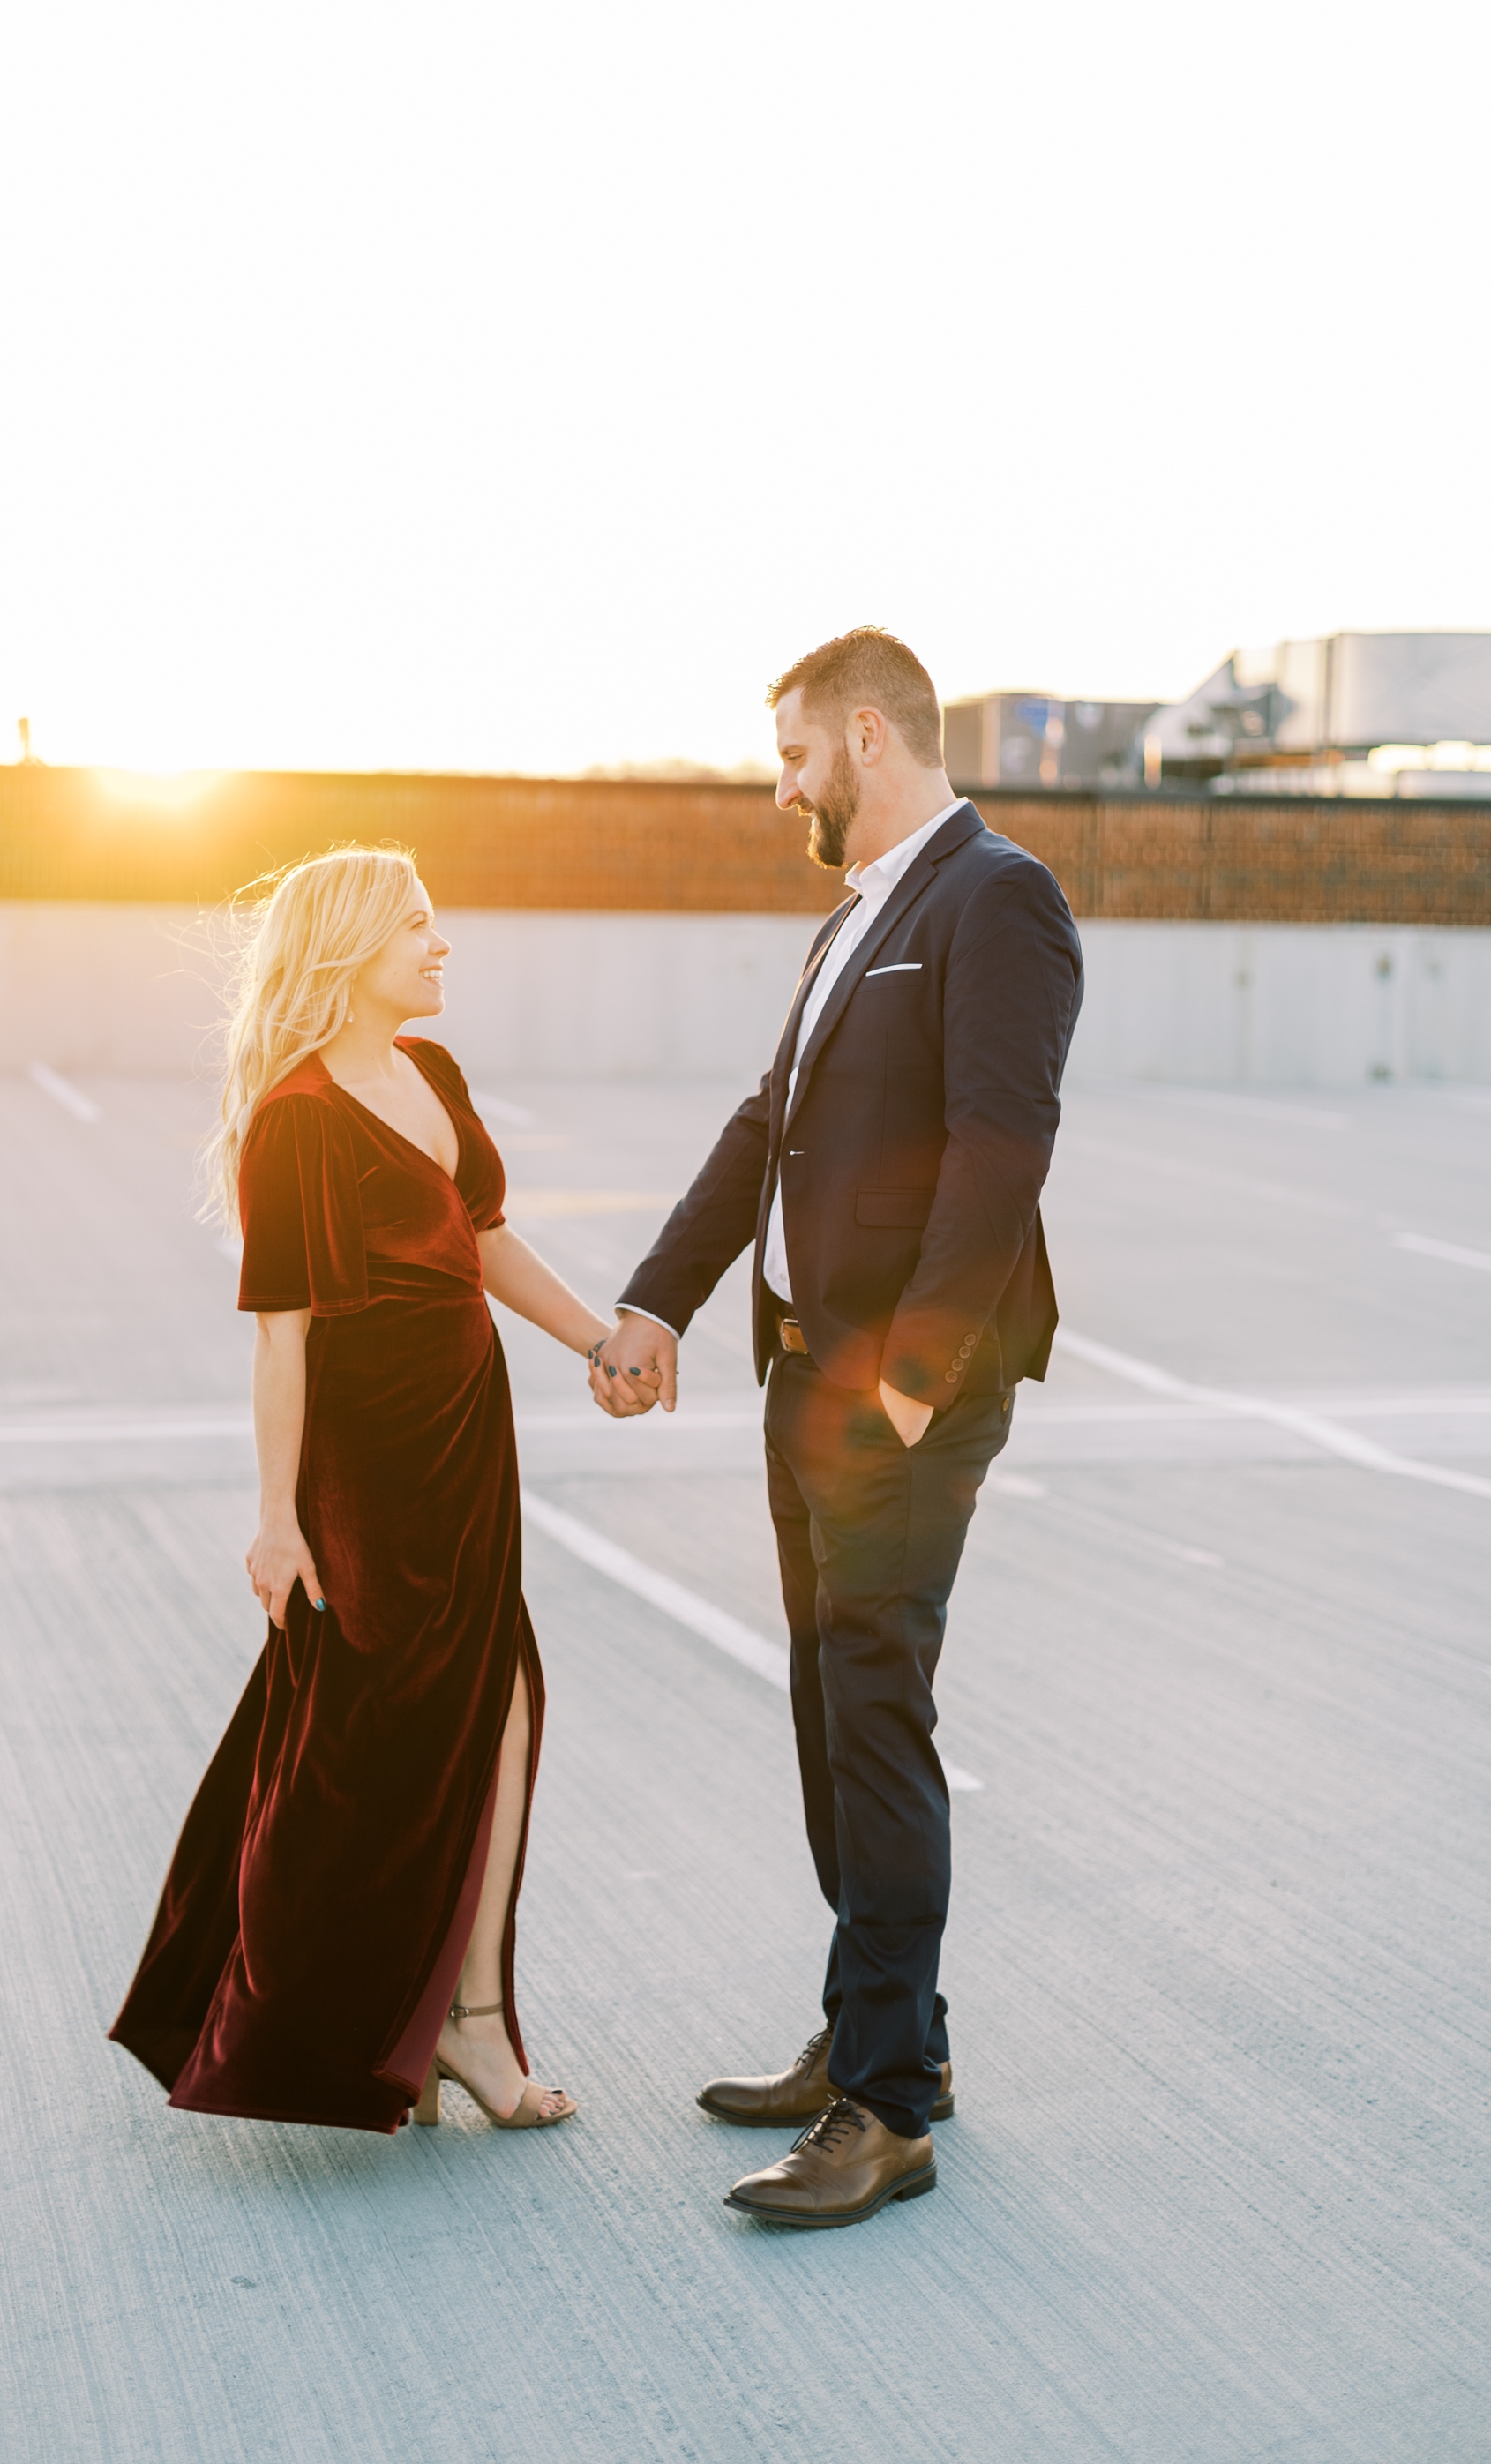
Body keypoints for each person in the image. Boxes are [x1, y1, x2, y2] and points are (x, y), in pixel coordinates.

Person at [593, 628, 1083, 2228]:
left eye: (794, 757)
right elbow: (767, 1129)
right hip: (803, 1376)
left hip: (898, 1401)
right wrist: (658, 1301)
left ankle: (886, 2112)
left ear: (867, 737)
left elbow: (1001, 1149)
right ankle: (881, 2033)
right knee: (828, 1707)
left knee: (873, 1709)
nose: (783, 789)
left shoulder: (994, 896)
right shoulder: (852, 920)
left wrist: (913, 1380)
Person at [111, 844, 619, 2135]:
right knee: (368, 1748)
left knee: (502, 1700)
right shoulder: (295, 1118)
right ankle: (381, 2026)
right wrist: (278, 1517)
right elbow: (283, 1334)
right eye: (419, 927)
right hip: (367, 1473)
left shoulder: (433, 1075)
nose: (442, 946)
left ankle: (468, 2019)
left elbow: (486, 1238)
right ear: (350, 953)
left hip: (469, 1448)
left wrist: (599, 1341)